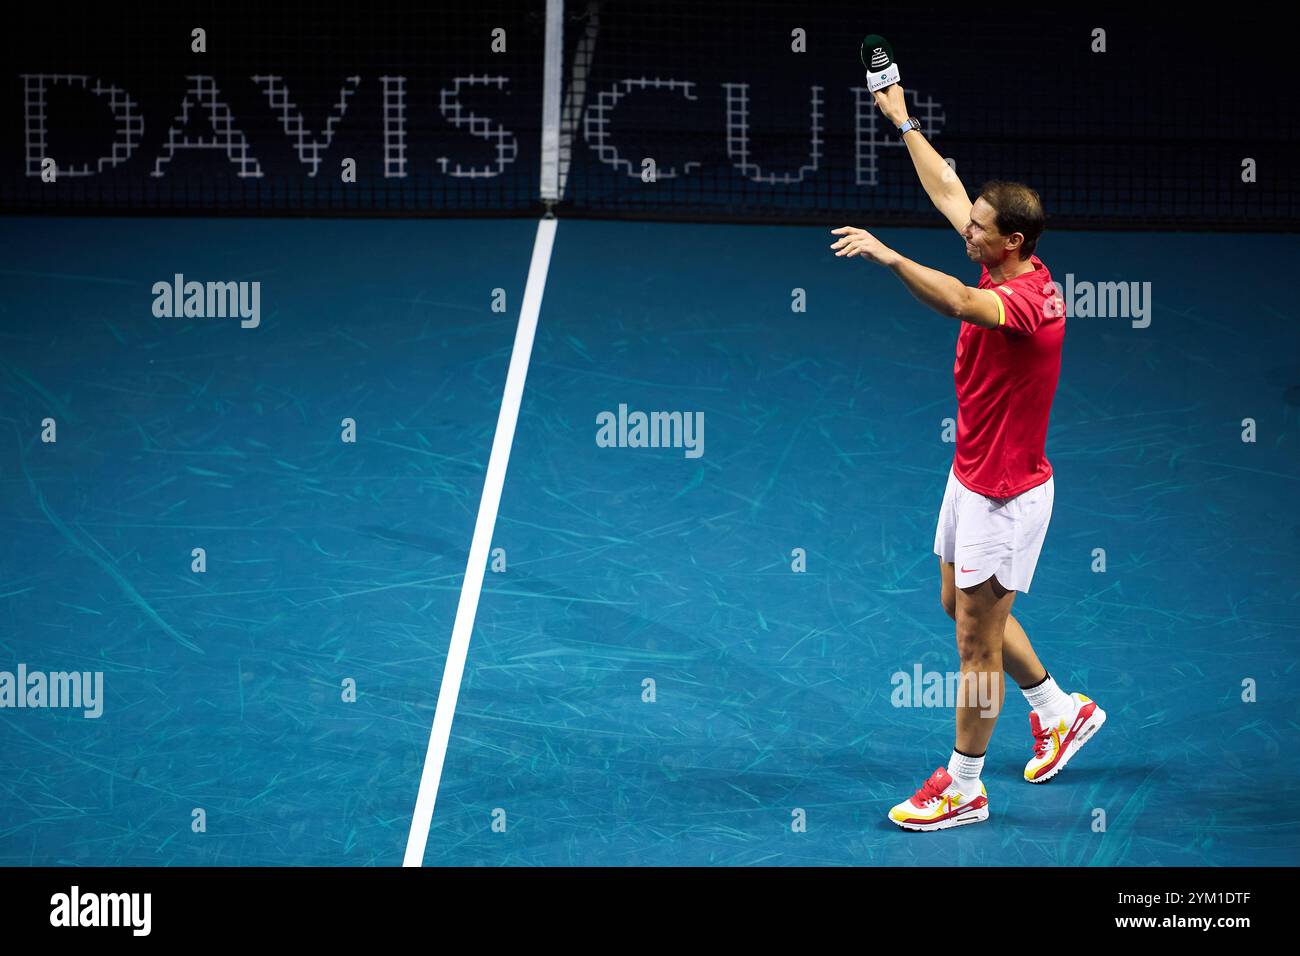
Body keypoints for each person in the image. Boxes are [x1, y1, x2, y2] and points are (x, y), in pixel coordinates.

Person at [830, 82, 1106, 831]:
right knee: (961, 608)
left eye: (979, 230)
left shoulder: (1021, 305)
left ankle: (965, 786)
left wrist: (888, 256)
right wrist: (902, 119)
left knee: (974, 646)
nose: (967, 231)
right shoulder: (1003, 258)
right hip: (971, 475)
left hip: (1005, 496)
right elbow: (948, 186)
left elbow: (954, 300)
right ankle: (1059, 710)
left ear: (1011, 242)